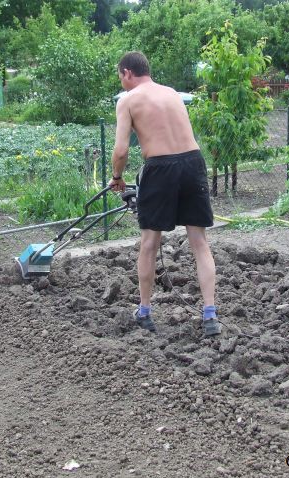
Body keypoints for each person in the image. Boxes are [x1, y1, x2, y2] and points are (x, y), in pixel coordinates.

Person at [108, 51, 221, 337]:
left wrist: (117, 178)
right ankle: (210, 314)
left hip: (160, 168)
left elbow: (121, 150)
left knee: (149, 243)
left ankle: (144, 311)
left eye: (120, 76)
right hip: (193, 162)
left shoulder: (128, 100)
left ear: (126, 73)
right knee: (199, 241)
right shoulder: (171, 93)